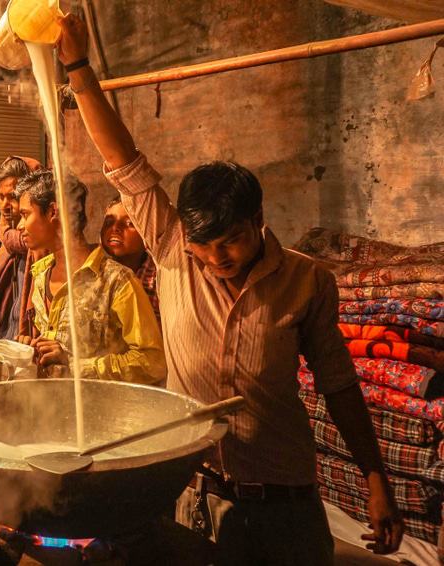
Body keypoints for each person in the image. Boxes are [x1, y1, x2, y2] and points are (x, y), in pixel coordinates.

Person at [58, 14, 402, 562]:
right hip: (195, 496)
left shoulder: (306, 281)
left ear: (259, 220)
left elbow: (338, 384)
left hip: (285, 505)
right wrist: (77, 65)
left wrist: (375, 478)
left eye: (233, 240)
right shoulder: (172, 248)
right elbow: (123, 161)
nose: (218, 257)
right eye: (206, 245)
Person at [15, 169, 166, 384]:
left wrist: (75, 364)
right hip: (52, 408)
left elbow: (153, 362)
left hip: (101, 411)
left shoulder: (117, 280)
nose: (19, 225)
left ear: (52, 212)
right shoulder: (40, 274)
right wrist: (32, 349)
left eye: (25, 214)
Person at [0, 156, 43, 340]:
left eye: (12, 196)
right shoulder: (4, 245)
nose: (5, 205)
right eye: (0, 196)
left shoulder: (42, 249)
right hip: (2, 344)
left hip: (29, 345)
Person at [101, 198, 158, 319]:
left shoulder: (156, 278)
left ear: (147, 233)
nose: (115, 228)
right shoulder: (94, 272)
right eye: (109, 222)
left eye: (129, 223)